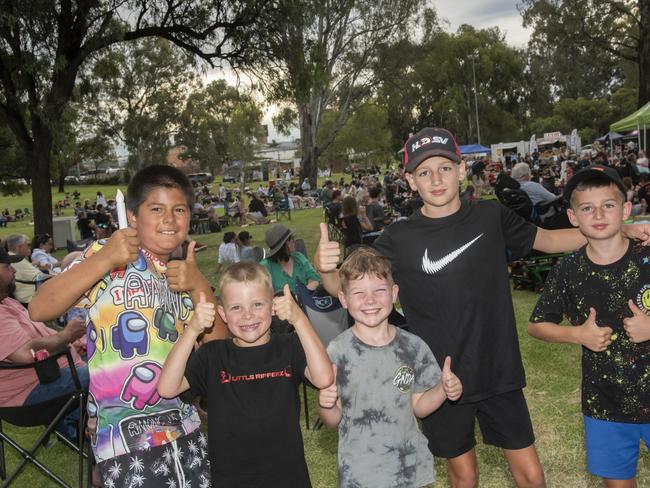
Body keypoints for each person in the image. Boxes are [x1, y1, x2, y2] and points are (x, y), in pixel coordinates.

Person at [315, 128, 650, 488]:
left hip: (497, 369)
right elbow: (347, 290)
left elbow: (550, 240)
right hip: (439, 378)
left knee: (532, 476)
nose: (436, 179)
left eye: (444, 168)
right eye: (424, 173)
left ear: (461, 171)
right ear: (411, 181)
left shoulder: (490, 216)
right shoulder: (399, 237)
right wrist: (325, 270)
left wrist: (618, 230)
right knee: (464, 477)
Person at [29, 164, 225, 488]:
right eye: (156, 208)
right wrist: (105, 258)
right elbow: (39, 307)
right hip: (123, 440)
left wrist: (200, 285)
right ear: (132, 217)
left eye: (179, 209)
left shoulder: (185, 275)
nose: (169, 219)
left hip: (186, 429)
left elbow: (221, 353)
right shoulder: (105, 258)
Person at [157, 262, 333, 486]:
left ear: (273, 307)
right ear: (222, 313)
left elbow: (324, 378)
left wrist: (299, 319)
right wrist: (192, 330)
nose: (248, 316)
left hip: (288, 478)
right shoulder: (213, 355)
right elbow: (167, 387)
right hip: (231, 480)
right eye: (236, 308)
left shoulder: (288, 347)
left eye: (257, 304)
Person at [528, 165, 650, 488]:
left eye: (608, 205)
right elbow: (536, 325)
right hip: (604, 404)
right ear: (572, 216)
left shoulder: (647, 255)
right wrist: (577, 334)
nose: (598, 214)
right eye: (587, 208)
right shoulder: (569, 270)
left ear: (625, 209)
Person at [318, 247, 462, 487]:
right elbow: (332, 420)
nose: (370, 300)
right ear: (343, 299)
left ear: (393, 293)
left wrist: (442, 390)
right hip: (360, 473)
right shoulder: (337, 351)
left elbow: (419, 407)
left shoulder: (413, 346)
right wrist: (326, 403)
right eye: (359, 293)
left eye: (379, 291)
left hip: (410, 469)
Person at [0, 247, 87, 441]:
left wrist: (71, 343)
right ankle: (80, 427)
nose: (13, 271)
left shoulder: (7, 303)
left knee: (110, 357)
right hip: (28, 395)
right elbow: (25, 354)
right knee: (109, 373)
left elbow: (41, 337)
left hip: (51, 374)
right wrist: (66, 335)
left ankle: (81, 428)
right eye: (7, 266)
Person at [260, 224, 320, 294]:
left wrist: (302, 296)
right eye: (292, 238)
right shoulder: (265, 267)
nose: (294, 241)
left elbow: (314, 279)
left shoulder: (298, 257)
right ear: (286, 244)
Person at [4, 233, 51, 304]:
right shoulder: (18, 261)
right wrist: (59, 276)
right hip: (32, 298)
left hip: (25, 296)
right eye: (27, 245)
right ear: (18, 247)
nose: (29, 247)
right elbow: (40, 276)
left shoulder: (10, 257)